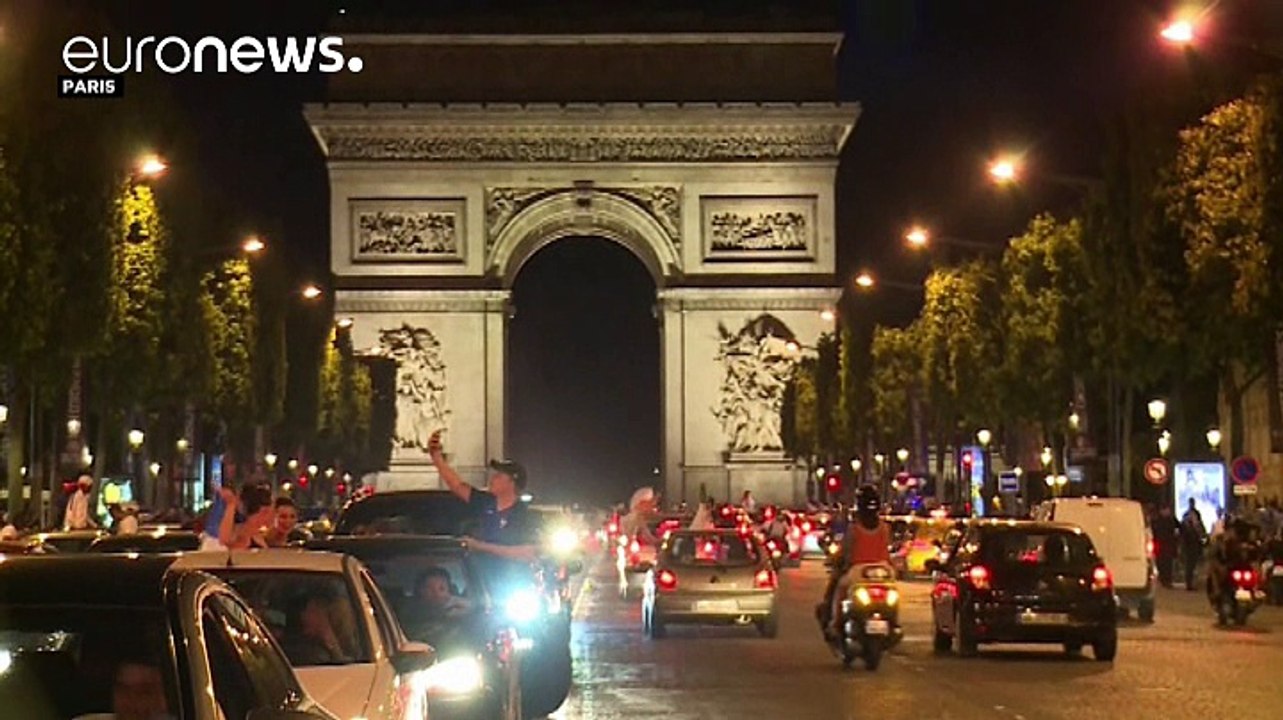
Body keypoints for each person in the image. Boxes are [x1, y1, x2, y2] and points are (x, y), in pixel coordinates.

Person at [428, 430, 539, 583]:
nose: (492, 479)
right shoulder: (485, 502)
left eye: (499, 476)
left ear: (512, 483)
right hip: (481, 582)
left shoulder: (524, 515)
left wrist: (479, 546)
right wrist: (437, 459)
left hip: (512, 584)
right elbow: (457, 485)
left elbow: (526, 553)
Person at [823, 486, 891, 638]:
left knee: (840, 589)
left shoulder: (855, 529)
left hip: (858, 572)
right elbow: (886, 550)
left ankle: (835, 622)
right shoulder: (884, 528)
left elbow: (845, 550)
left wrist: (835, 560)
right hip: (883, 571)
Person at [212, 484, 275, 550]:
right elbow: (224, 540)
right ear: (264, 511)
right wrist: (231, 505)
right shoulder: (242, 533)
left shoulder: (257, 534)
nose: (273, 516)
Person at [1180, 497, 1208, 591]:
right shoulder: (1191, 515)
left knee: (1191, 564)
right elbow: (1199, 527)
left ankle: (1190, 583)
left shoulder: (1188, 514)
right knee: (1191, 564)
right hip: (1191, 543)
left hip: (1191, 543)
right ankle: (1190, 583)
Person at [1152, 504, 1178, 588]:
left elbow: (1177, 527)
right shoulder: (1159, 521)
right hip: (1163, 545)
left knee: (1167, 563)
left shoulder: (1170, 520)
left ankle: (1167, 580)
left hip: (1167, 545)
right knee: (1163, 563)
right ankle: (1164, 580)